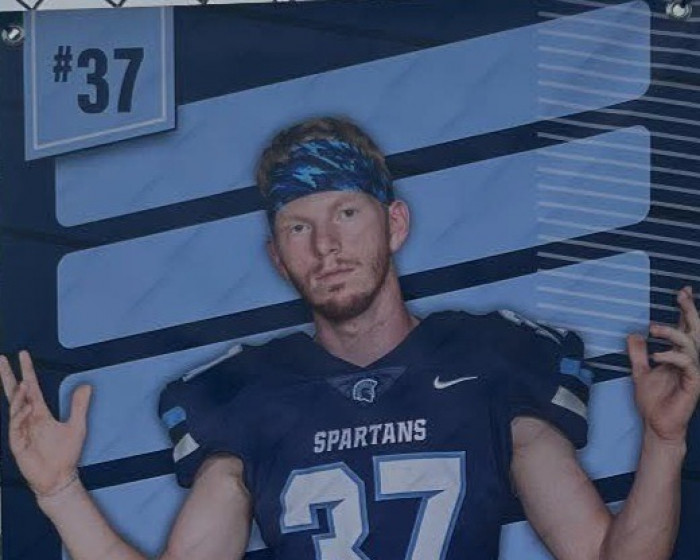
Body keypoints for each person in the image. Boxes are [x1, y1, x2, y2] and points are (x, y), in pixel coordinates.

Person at [1, 116, 699, 560]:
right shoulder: (245, 396)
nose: (325, 246)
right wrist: (60, 492)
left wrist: (664, 444)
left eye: (346, 213)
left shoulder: (491, 361)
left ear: (394, 224)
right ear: (277, 257)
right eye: (298, 227)